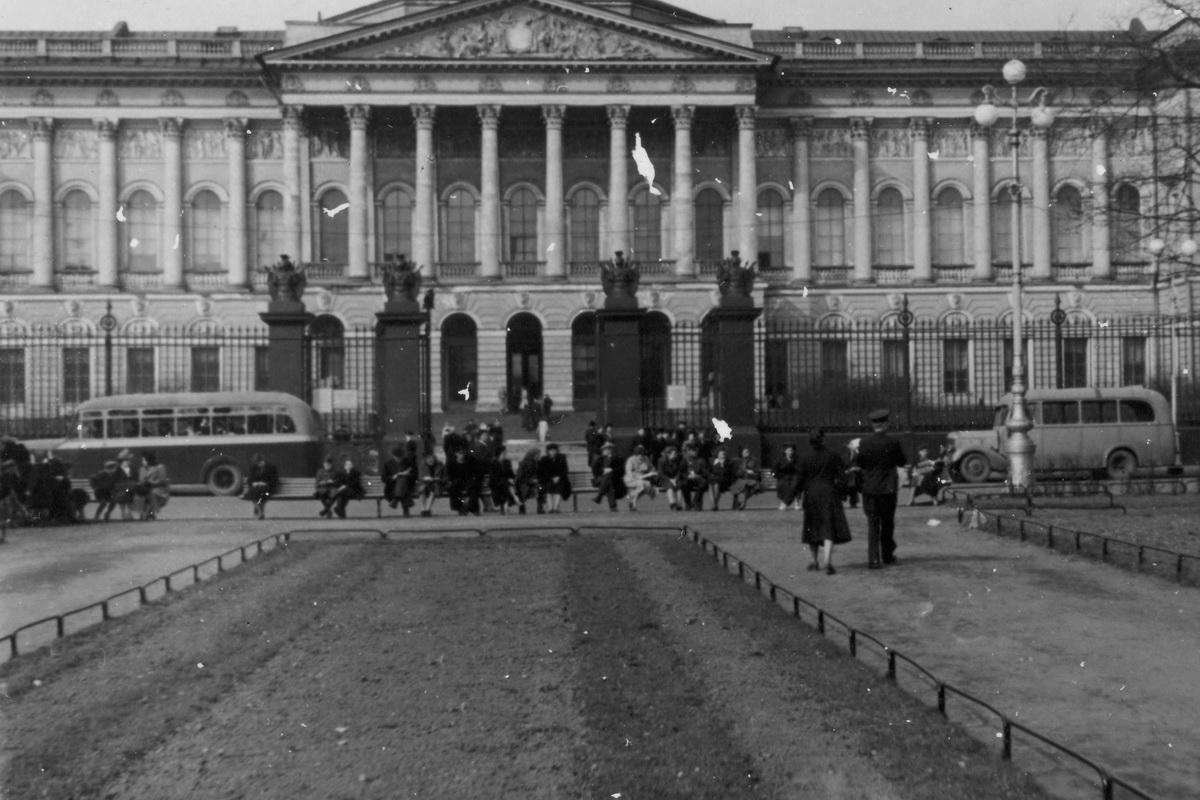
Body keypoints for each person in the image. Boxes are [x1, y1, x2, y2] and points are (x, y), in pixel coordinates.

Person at [854, 408, 908, 569]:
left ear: (873, 425)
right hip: (888, 488)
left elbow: (861, 463)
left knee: (873, 523)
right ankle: (887, 555)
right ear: (885, 424)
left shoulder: (864, 443)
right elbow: (902, 462)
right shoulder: (893, 443)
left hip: (870, 488)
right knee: (888, 522)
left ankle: (874, 559)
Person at [797, 429, 853, 575]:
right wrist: (844, 492)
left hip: (811, 495)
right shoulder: (832, 456)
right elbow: (842, 476)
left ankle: (813, 561)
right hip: (829, 493)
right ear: (823, 440)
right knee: (828, 528)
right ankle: (827, 561)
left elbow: (799, 479)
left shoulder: (804, 458)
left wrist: (792, 497)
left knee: (812, 527)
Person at [591, 441, 626, 511]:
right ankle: (612, 506)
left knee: (609, 481)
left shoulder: (618, 459)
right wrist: (603, 471)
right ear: (603, 450)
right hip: (600, 479)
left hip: (614, 479)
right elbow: (595, 471)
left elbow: (622, 471)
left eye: (610, 448)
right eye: (606, 449)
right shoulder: (599, 460)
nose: (608, 450)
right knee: (608, 479)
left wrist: (612, 470)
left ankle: (600, 497)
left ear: (612, 449)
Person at [136, 451, 171, 521]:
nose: (143, 462)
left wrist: (151, 483)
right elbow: (141, 480)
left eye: (144, 460)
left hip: (160, 488)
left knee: (153, 493)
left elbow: (162, 481)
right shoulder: (142, 469)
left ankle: (148, 512)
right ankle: (147, 512)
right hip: (146, 488)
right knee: (140, 493)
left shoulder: (160, 467)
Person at [244, 453, 280, 520]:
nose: (259, 464)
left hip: (268, 490)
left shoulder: (271, 467)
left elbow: (275, 480)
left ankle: (257, 509)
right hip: (257, 489)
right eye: (258, 463)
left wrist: (265, 483)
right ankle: (260, 512)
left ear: (264, 460)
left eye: (260, 462)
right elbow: (249, 480)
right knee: (257, 494)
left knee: (260, 494)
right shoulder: (254, 467)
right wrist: (254, 483)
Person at [538, 443, 572, 514]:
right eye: (551, 451)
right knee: (548, 488)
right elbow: (542, 472)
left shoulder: (562, 458)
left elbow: (564, 470)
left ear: (557, 451)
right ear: (547, 451)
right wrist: (551, 478)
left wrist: (558, 477)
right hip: (547, 480)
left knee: (559, 488)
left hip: (560, 479)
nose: (552, 452)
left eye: (554, 451)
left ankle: (556, 507)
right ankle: (550, 508)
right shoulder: (544, 459)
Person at [623, 444, 657, 511]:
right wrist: (646, 475)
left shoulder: (646, 459)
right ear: (635, 455)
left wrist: (653, 472)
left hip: (641, 480)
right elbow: (630, 474)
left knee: (647, 485)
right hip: (630, 480)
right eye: (639, 455)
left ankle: (632, 501)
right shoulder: (630, 461)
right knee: (641, 484)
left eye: (642, 455)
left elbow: (651, 468)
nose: (641, 457)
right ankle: (634, 505)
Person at [728, 446, 762, 510]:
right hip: (739, 480)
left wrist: (753, 473)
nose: (747, 453)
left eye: (748, 452)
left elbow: (757, 472)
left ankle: (741, 503)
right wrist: (745, 471)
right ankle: (739, 503)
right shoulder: (738, 461)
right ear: (742, 453)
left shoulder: (753, 461)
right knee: (744, 486)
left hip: (750, 479)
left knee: (752, 486)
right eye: (745, 452)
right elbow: (736, 472)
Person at [489, 446, 520, 514]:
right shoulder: (494, 463)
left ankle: (505, 508)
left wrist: (511, 479)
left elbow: (510, 474)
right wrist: (507, 480)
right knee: (505, 484)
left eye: (505, 454)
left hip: (505, 484)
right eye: (503, 454)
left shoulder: (507, 462)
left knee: (506, 485)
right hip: (495, 483)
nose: (504, 455)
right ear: (499, 454)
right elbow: (494, 477)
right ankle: (514, 498)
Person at [680, 445, 710, 511]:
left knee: (703, 483)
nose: (695, 452)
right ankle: (688, 503)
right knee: (683, 484)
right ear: (689, 451)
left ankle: (696, 502)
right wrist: (687, 475)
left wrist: (698, 475)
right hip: (688, 478)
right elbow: (681, 472)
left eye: (696, 450)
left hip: (697, 478)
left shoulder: (701, 460)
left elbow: (705, 472)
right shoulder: (685, 460)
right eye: (693, 450)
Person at [417, 450, 447, 517]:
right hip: (425, 483)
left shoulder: (440, 465)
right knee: (423, 488)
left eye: (431, 459)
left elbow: (445, 477)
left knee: (434, 487)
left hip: (437, 483)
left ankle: (428, 508)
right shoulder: (422, 465)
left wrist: (439, 479)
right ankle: (423, 508)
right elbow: (420, 477)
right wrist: (425, 478)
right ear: (425, 460)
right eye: (428, 459)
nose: (430, 460)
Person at [656, 444, 685, 511]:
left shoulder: (677, 460)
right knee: (669, 485)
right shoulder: (661, 461)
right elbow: (660, 474)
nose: (675, 455)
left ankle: (679, 504)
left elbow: (679, 471)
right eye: (674, 453)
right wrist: (670, 479)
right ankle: (672, 502)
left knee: (678, 485)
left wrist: (675, 479)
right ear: (669, 454)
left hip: (674, 478)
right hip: (663, 479)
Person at [113, 449, 140, 521]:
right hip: (120, 489)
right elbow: (115, 480)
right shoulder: (117, 469)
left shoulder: (132, 468)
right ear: (121, 462)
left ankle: (129, 513)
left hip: (131, 488)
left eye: (128, 460)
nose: (127, 462)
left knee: (130, 496)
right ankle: (123, 514)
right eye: (125, 460)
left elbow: (136, 478)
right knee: (123, 496)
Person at [773, 444, 801, 511]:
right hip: (783, 477)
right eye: (788, 450)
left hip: (794, 477)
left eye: (791, 450)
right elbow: (774, 470)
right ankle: (784, 501)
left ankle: (786, 503)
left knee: (795, 485)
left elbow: (800, 469)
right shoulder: (779, 460)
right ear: (785, 451)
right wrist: (776, 475)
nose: (790, 452)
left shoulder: (797, 459)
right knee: (782, 485)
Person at [707, 446, 736, 511]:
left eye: (724, 454)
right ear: (718, 454)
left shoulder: (728, 463)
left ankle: (714, 504)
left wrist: (722, 465)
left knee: (717, 485)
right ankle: (714, 504)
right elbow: (708, 471)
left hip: (724, 481)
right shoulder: (712, 461)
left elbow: (725, 475)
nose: (723, 456)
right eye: (721, 454)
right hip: (712, 480)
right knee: (711, 484)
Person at [514, 448, 542, 514]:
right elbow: (520, 476)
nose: (538, 457)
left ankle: (540, 506)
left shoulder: (537, 463)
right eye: (537, 455)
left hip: (534, 483)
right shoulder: (523, 463)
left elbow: (539, 474)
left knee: (541, 488)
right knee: (523, 490)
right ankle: (522, 507)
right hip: (523, 483)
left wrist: (536, 480)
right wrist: (531, 480)